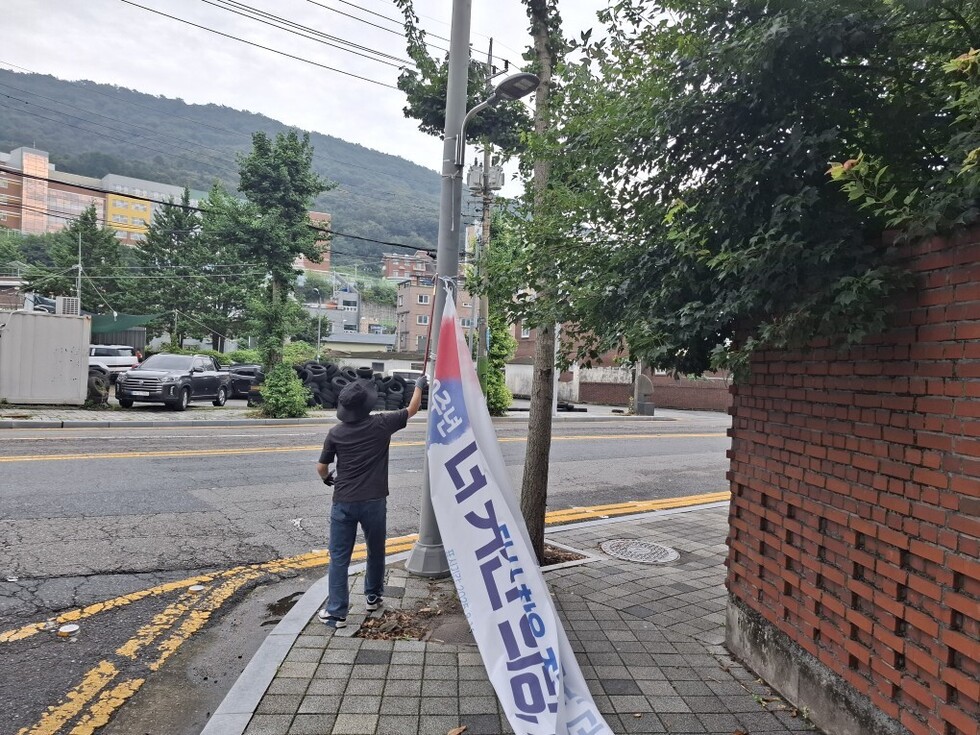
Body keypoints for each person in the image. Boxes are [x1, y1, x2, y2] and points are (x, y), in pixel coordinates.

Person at [315, 374, 427, 628]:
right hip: (374, 501)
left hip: (343, 500)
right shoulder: (382, 424)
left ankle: (336, 612)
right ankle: (373, 596)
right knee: (375, 549)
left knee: (340, 557)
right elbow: (412, 409)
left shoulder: (336, 433)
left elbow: (322, 467)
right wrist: (419, 386)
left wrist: (327, 479)